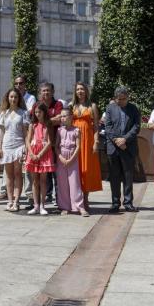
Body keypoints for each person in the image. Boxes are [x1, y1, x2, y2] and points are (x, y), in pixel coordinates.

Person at [103, 85, 141, 213]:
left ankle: (128, 203)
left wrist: (125, 139)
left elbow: (136, 126)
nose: (121, 101)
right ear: (115, 98)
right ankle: (115, 203)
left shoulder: (133, 108)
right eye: (119, 99)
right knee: (114, 176)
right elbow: (108, 127)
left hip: (128, 147)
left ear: (127, 97)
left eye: (124, 99)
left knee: (128, 176)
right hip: (113, 148)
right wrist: (117, 140)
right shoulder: (110, 108)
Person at [69, 82, 102, 213]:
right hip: (74, 141)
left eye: (82, 89)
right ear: (75, 92)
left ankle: (85, 200)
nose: (80, 91)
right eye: (78, 89)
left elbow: (96, 126)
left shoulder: (92, 106)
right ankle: (75, 200)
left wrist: (96, 142)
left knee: (86, 170)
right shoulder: (72, 106)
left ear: (86, 91)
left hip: (87, 142)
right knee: (75, 170)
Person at [0, 88, 29, 212]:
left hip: (19, 146)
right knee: (9, 176)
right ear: (8, 98)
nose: (13, 99)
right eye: (11, 97)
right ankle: (10, 201)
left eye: (15, 97)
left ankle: (16, 201)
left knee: (18, 174)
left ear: (19, 98)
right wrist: (0, 148)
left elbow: (26, 132)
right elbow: (1, 132)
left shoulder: (23, 113)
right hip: (6, 146)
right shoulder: (3, 114)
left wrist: (26, 148)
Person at [24, 103, 55, 215]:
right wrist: (31, 154)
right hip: (33, 153)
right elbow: (28, 141)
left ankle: (42, 205)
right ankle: (36, 205)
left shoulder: (48, 124)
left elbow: (50, 142)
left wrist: (40, 154)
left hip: (44, 153)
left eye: (39, 112)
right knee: (35, 181)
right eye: (36, 112)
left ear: (44, 112)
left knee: (43, 180)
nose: (37, 114)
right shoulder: (32, 125)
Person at [55, 110, 85, 215]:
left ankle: (79, 206)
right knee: (62, 183)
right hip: (62, 158)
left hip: (73, 158)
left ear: (71, 117)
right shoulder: (59, 130)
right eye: (61, 116)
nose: (62, 118)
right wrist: (60, 157)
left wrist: (71, 159)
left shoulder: (76, 130)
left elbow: (78, 146)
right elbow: (56, 146)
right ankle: (64, 206)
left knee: (75, 182)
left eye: (65, 116)